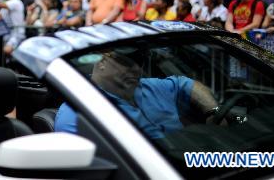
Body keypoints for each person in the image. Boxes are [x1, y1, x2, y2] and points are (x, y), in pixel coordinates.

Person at [55, 51, 221, 139]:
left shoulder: (149, 86)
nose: (137, 69)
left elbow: (186, 84)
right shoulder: (76, 112)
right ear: (102, 62)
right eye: (128, 61)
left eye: (140, 61)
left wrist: (213, 111)